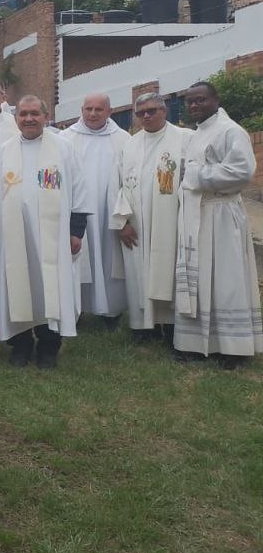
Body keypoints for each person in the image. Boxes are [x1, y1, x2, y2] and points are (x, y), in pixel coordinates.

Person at [0, 96, 88, 369]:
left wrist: (76, 230)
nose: (29, 119)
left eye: (35, 113)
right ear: (16, 118)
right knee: (16, 285)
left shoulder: (63, 149)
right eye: (23, 114)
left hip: (53, 238)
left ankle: (48, 346)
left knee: (49, 288)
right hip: (12, 236)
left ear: (45, 116)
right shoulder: (2, 152)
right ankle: (20, 345)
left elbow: (79, 190)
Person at [172, 81, 263, 367]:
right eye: (189, 101)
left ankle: (234, 349)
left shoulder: (230, 130)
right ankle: (197, 343)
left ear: (215, 100)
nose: (194, 105)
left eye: (200, 100)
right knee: (198, 279)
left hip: (221, 214)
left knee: (226, 280)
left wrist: (199, 175)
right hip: (196, 215)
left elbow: (242, 170)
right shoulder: (197, 134)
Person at [111, 93, 190, 340]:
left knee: (169, 273)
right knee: (138, 274)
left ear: (164, 111)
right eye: (141, 112)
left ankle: (172, 326)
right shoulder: (130, 144)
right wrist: (121, 222)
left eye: (151, 110)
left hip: (171, 221)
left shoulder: (185, 139)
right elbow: (118, 185)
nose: (146, 116)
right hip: (136, 223)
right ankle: (143, 326)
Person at [63, 93, 128, 325]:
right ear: (81, 110)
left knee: (109, 258)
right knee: (77, 259)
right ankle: (76, 309)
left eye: (98, 110)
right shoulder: (66, 138)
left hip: (108, 211)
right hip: (76, 211)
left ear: (109, 112)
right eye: (88, 109)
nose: (92, 114)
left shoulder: (123, 139)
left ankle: (110, 310)